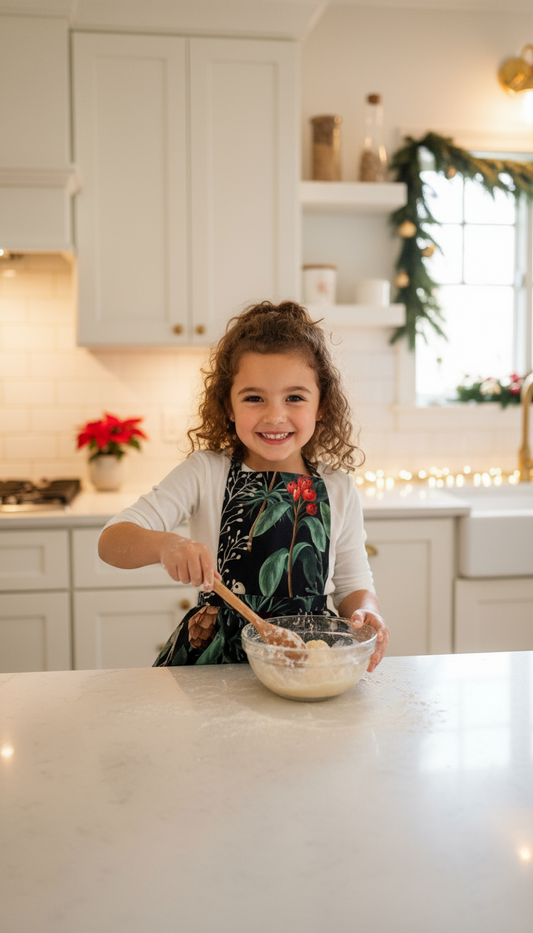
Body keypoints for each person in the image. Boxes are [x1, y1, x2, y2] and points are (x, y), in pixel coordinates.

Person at [98, 301, 390, 671]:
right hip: (215, 664)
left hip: (307, 660)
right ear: (229, 406)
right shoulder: (205, 473)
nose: (275, 415)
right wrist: (167, 545)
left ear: (322, 406)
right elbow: (111, 541)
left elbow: (352, 585)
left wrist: (367, 611)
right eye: (254, 398)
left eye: (294, 397)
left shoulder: (338, 487)